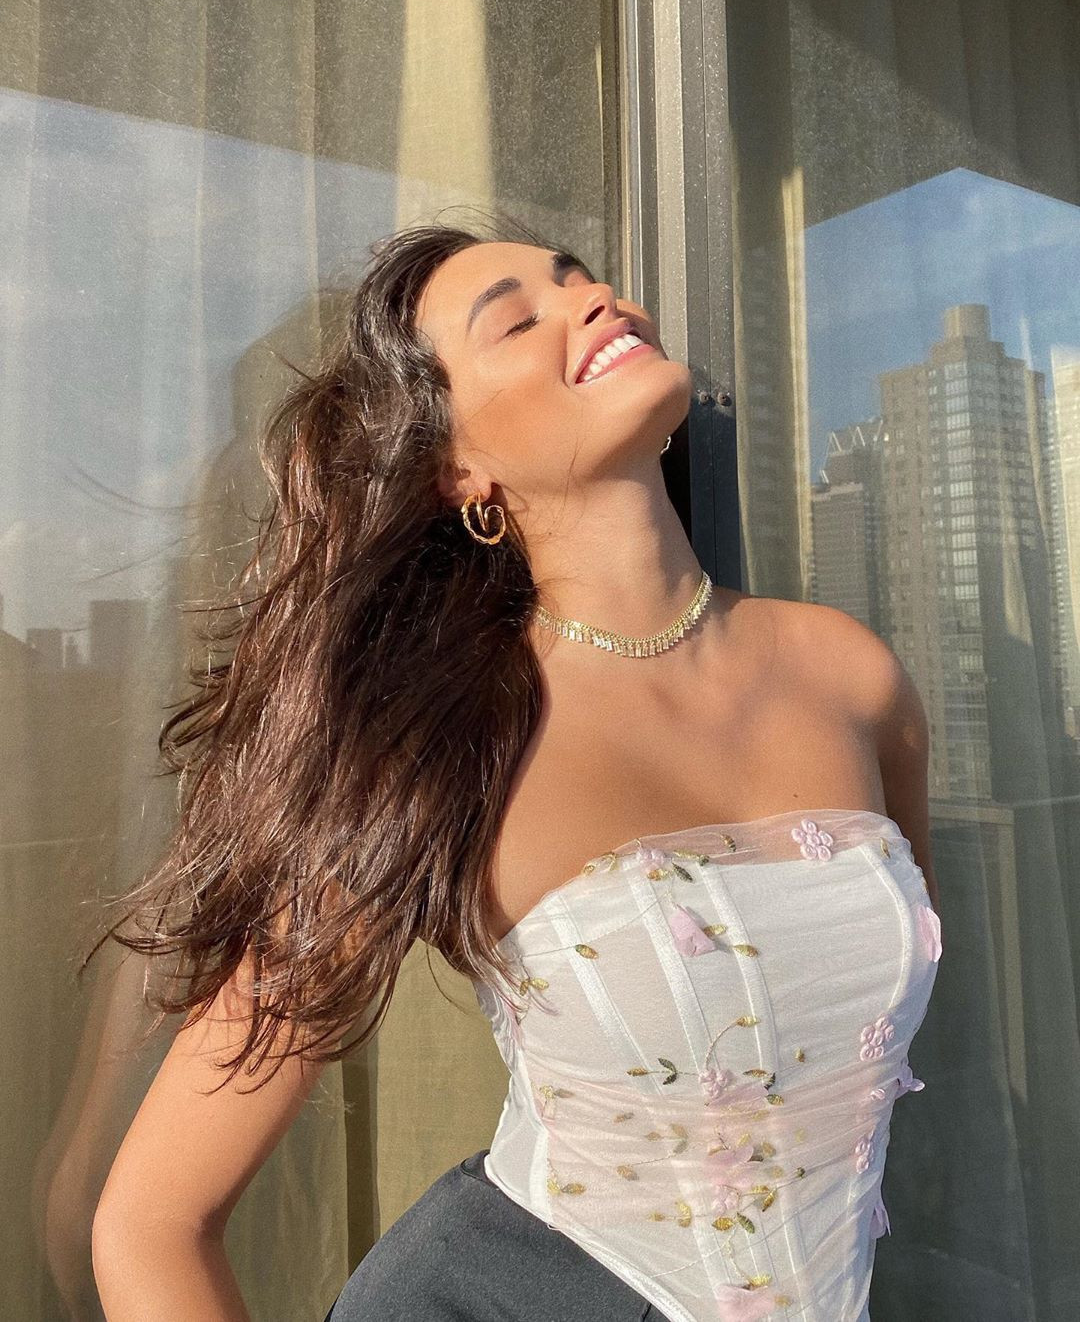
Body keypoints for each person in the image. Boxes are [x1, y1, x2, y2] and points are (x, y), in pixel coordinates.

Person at [87, 210, 942, 1322]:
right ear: (459, 469)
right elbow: (149, 1222)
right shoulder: (440, 744)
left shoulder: (849, 675)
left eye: (580, 277)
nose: (595, 299)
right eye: (515, 320)